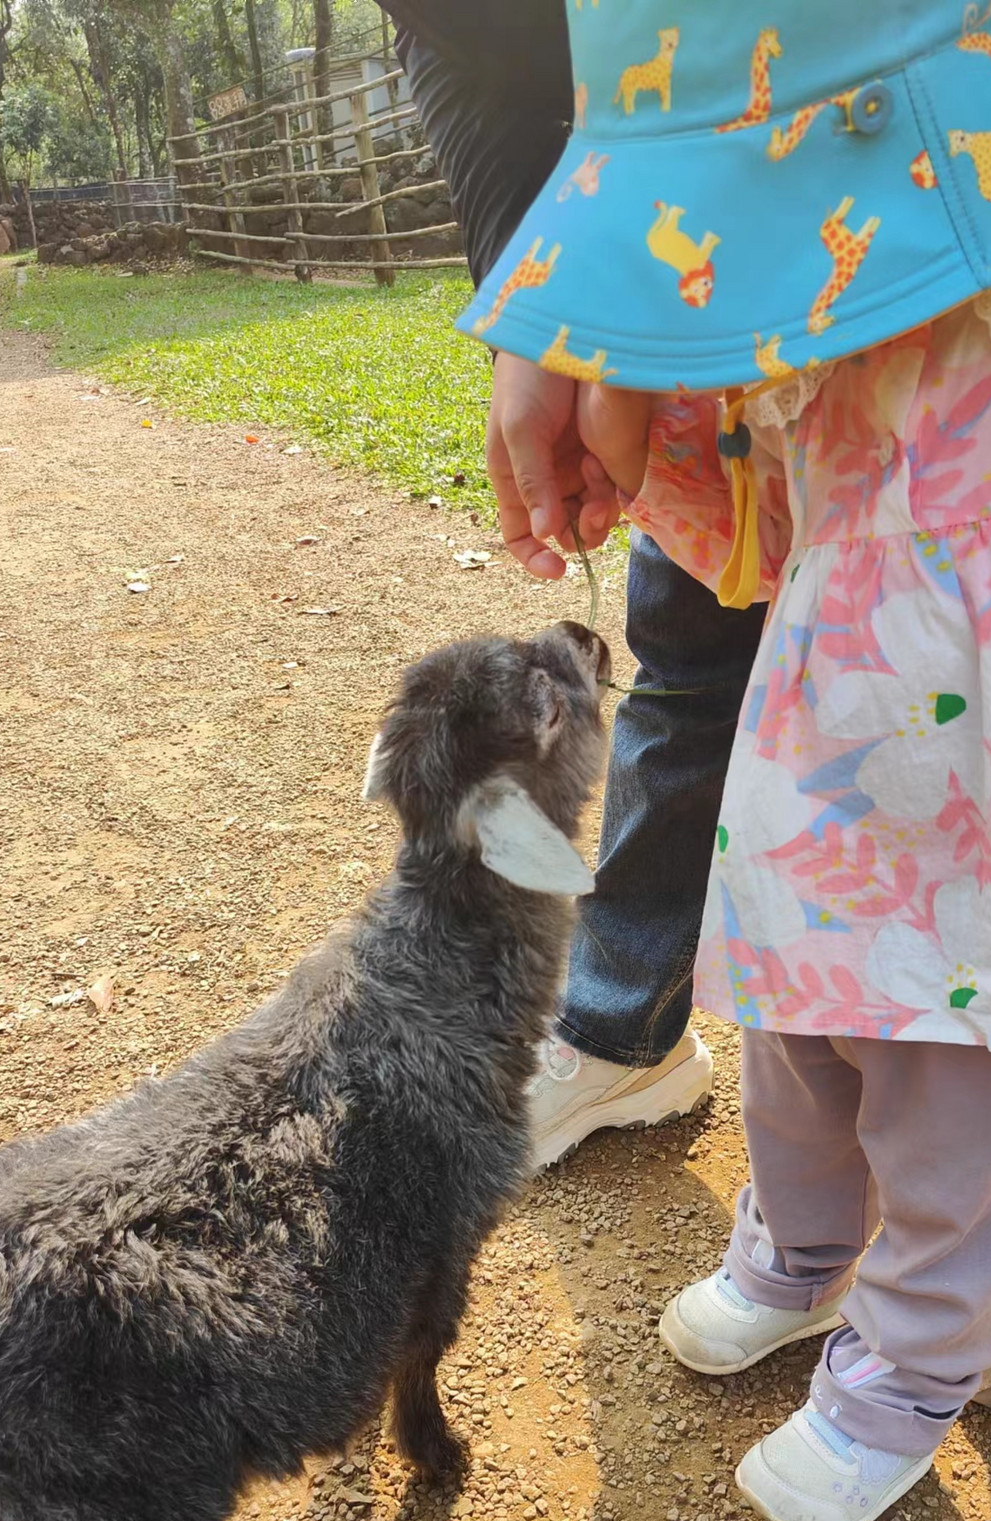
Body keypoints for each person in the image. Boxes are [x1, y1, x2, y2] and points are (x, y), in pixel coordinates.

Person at [389, 0, 991, 1479]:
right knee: (794, 905)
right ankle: (814, 1238)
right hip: (837, 549)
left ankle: (934, 1327)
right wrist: (598, 318)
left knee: (982, 955)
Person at [387, 0, 763, 1173]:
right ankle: (622, 1025)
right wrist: (543, 318)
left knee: (970, 681)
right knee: (691, 658)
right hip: (678, 307)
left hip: (924, 240)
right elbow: (476, 74)